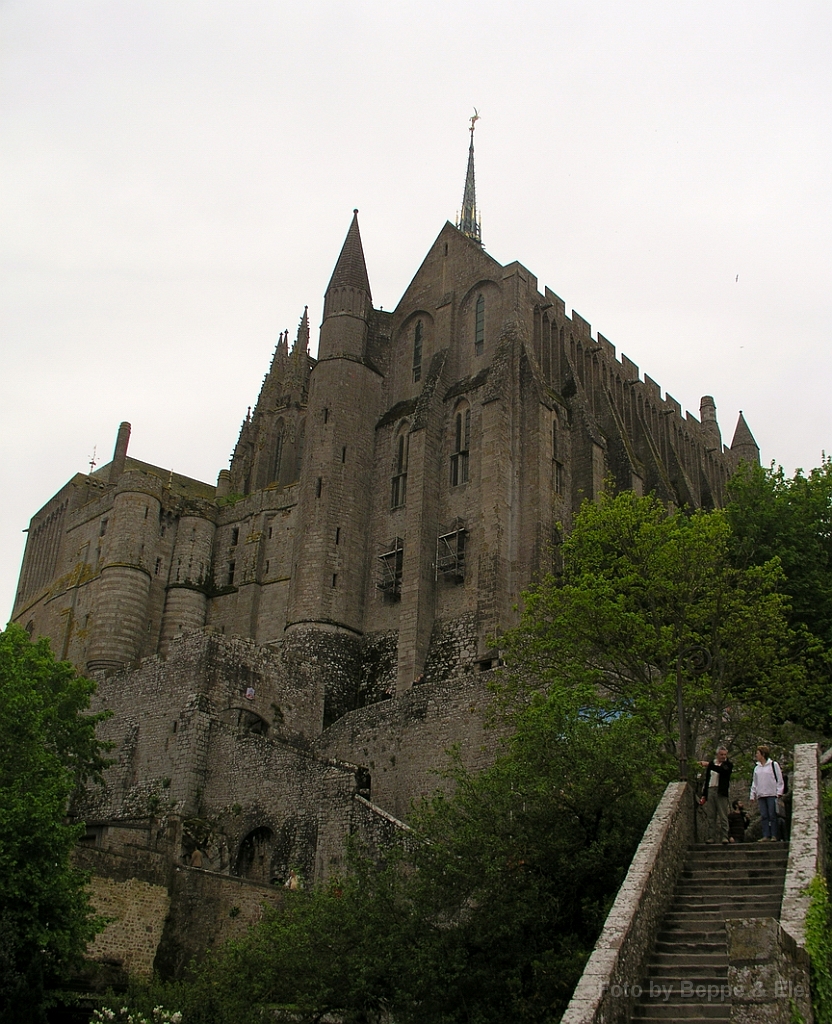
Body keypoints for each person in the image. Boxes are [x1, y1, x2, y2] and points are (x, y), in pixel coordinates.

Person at [698, 745, 733, 844]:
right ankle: (711, 837)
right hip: (711, 790)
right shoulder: (712, 764)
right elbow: (708, 780)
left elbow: (722, 771)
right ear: (717, 754)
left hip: (721, 791)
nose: (723, 756)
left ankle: (725, 836)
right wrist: (704, 794)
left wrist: (708, 765)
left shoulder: (727, 765)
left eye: (725, 755)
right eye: (721, 754)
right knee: (711, 816)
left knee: (723, 815)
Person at [750, 745, 785, 840]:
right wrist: (753, 794)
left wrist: (779, 792)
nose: (756, 755)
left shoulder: (773, 765)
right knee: (764, 816)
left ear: (763, 754)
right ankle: (766, 835)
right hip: (761, 794)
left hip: (772, 794)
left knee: (772, 815)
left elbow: (779, 779)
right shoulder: (757, 768)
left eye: (757, 753)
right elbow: (755, 782)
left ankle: (774, 835)